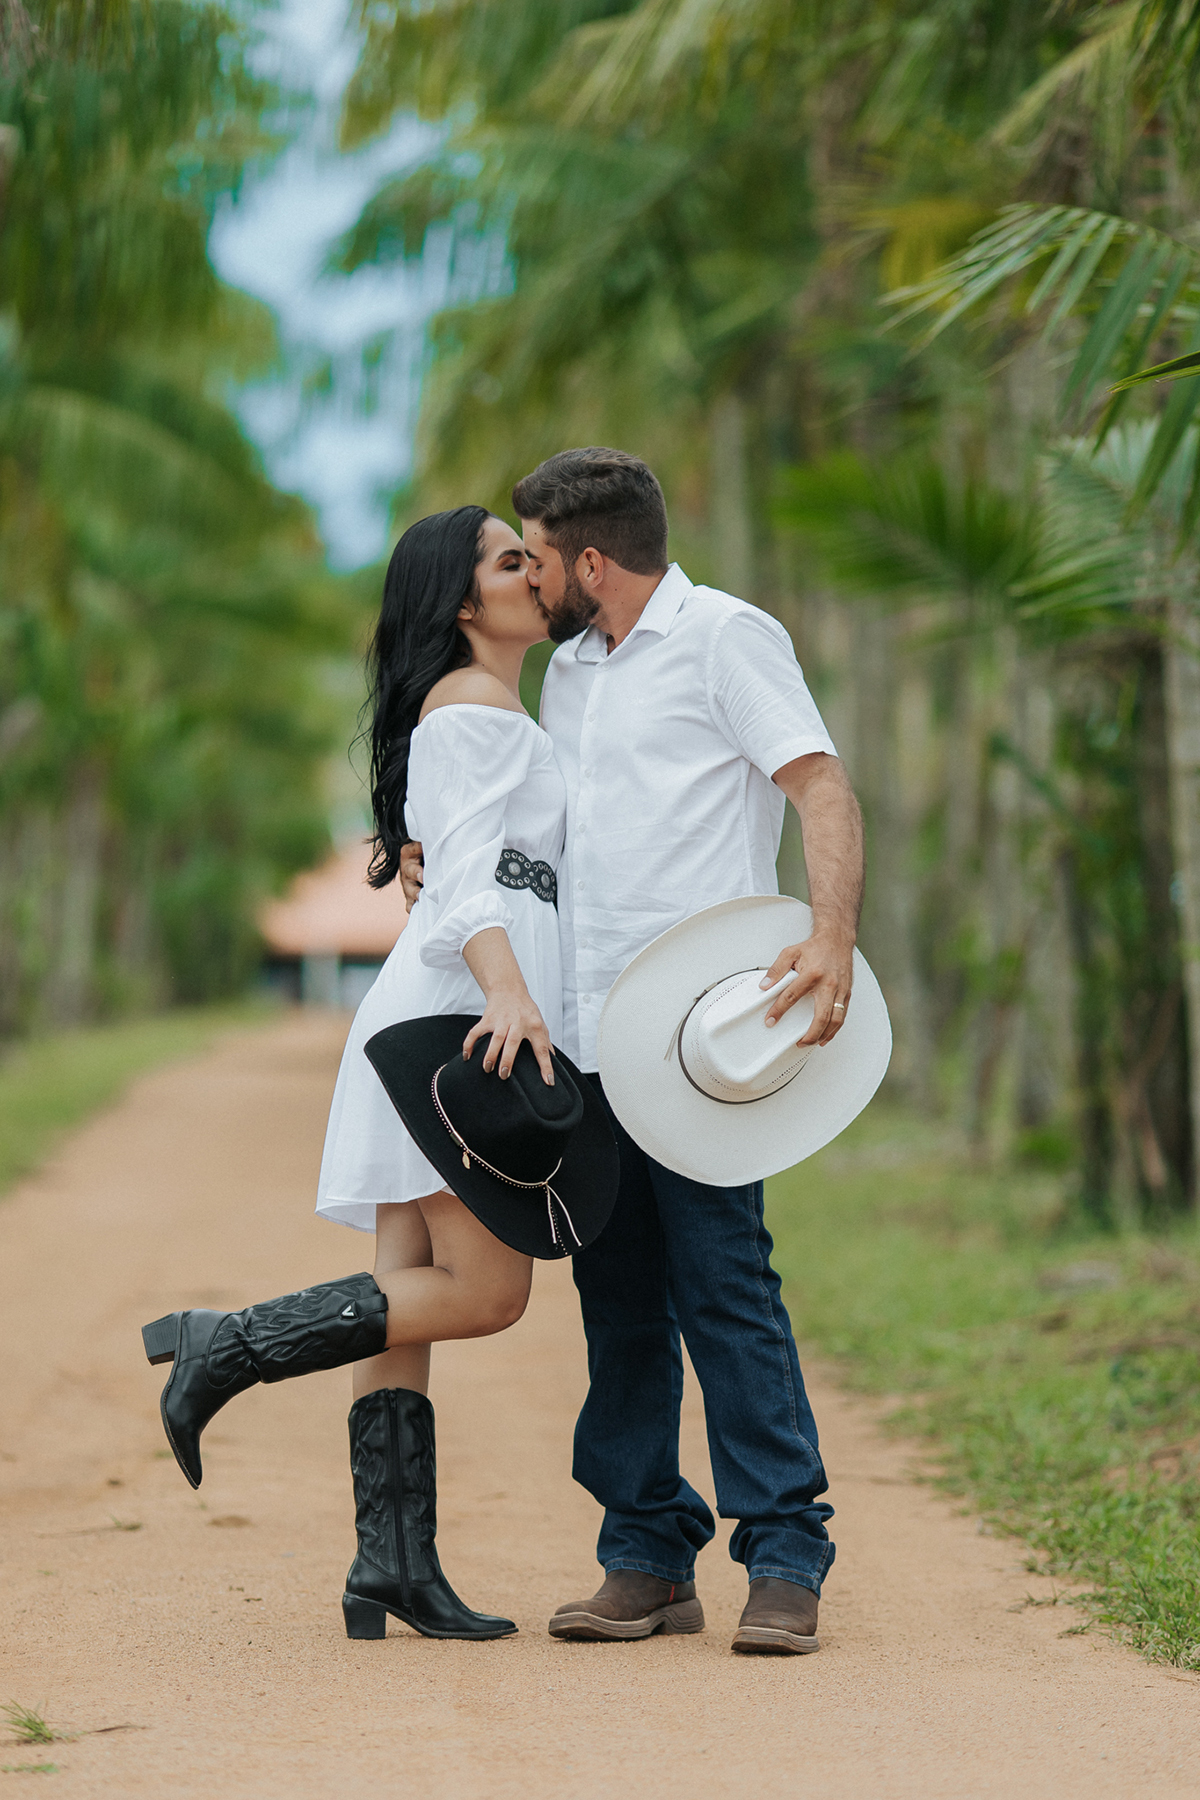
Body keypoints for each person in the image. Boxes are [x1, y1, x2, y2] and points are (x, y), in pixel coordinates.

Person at [402, 450, 864, 1656]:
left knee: (726, 1284)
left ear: (588, 560)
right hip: (585, 1027)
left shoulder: (726, 638)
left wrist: (830, 932)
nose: (529, 574)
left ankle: (787, 1553)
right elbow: (525, 826)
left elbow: (819, 785)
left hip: (700, 1032)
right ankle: (647, 1553)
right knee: (617, 1300)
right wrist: (420, 854)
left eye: (536, 556)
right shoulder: (568, 676)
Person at [142, 505, 573, 1643]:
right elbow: (474, 886)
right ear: (462, 601)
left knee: (406, 1300)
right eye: (508, 559)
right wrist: (510, 991)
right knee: (488, 1291)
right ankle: (225, 1344)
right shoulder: (474, 710)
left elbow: (472, 866)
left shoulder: (486, 713)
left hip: (437, 1015)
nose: (533, 571)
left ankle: (390, 1561)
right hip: (461, 1024)